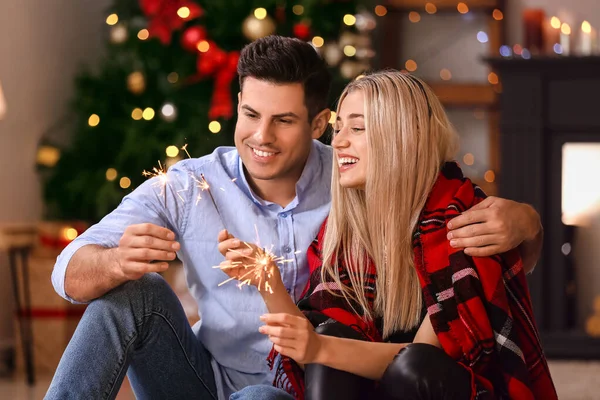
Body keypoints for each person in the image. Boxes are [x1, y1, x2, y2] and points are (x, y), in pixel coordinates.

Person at [46, 37, 543, 400]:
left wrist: (527, 222)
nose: (261, 137)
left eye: (283, 120)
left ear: (317, 124)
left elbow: (461, 246)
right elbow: (66, 270)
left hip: (292, 391)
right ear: (238, 106)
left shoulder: (354, 181)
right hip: (197, 378)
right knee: (133, 296)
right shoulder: (187, 185)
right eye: (250, 114)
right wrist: (115, 263)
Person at [224, 70, 557, 400]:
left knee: (404, 363)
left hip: (443, 388)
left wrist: (321, 348)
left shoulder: (464, 223)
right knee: (328, 341)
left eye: (357, 128)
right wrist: (268, 280)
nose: (337, 141)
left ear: (402, 136)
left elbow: (420, 368)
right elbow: (312, 348)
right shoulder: (346, 232)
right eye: (338, 129)